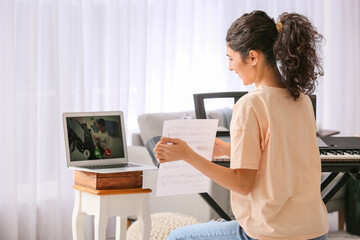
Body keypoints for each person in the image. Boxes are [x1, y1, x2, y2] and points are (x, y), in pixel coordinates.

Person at [154, 10, 328, 240]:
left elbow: (242, 184)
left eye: (231, 58)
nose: (230, 67)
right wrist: (227, 149)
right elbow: (281, 157)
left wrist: (187, 154)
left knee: (177, 237)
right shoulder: (303, 99)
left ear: (253, 57)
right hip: (316, 231)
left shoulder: (250, 105)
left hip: (272, 234)